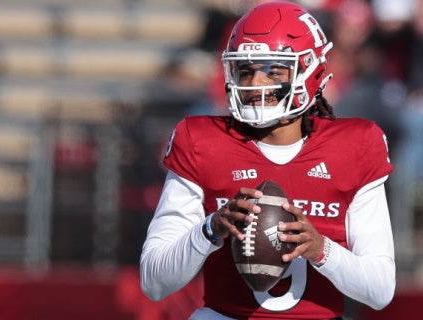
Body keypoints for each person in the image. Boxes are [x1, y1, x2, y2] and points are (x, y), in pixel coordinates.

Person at [140, 2, 396, 319]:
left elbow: (380, 290)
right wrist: (210, 229)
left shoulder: (355, 145)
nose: (255, 84)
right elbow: (154, 281)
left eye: (273, 70)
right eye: (246, 71)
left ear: (310, 71)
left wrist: (321, 250)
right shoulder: (202, 140)